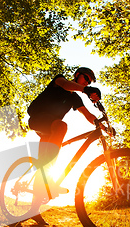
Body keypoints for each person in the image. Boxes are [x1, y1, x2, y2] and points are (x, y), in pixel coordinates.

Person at [27, 67, 101, 201]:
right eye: (86, 78)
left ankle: (35, 208)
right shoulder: (60, 80)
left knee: (43, 165)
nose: (87, 83)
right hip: (37, 119)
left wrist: (103, 127)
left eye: (89, 83)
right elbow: (67, 85)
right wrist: (85, 90)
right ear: (77, 75)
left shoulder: (74, 98)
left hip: (50, 129)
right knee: (62, 126)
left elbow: (87, 115)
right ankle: (49, 181)